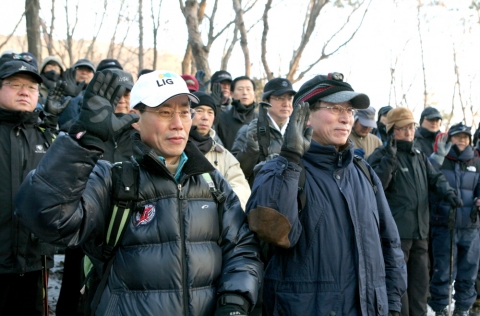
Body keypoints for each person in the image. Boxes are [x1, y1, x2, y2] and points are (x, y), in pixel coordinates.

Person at [15, 70, 263, 315]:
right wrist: (82, 140)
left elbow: (241, 246)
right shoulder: (112, 178)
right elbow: (45, 216)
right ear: (136, 117)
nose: (178, 124)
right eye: (165, 112)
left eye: (185, 112)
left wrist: (234, 301)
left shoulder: (211, 181)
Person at [246, 73, 407, 315]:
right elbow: (272, 232)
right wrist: (290, 159)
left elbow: (390, 244)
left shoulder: (364, 173)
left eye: (350, 110)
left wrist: (392, 306)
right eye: (334, 108)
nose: (346, 118)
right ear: (304, 114)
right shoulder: (279, 170)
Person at [367, 107, 463, 316]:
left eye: (411, 127)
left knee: (420, 286)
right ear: (392, 130)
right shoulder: (382, 155)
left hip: (420, 232)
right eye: (403, 128)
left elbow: (435, 177)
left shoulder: (418, 155)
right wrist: (389, 160)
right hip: (396, 236)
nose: (409, 132)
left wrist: (450, 194)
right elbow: (374, 188)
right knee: (397, 289)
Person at [0, 52, 58, 316]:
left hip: (35, 261)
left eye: (32, 87)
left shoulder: (48, 136)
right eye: (15, 84)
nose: (25, 92)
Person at [427, 123, 480, 316]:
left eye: (465, 137)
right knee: (443, 270)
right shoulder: (441, 159)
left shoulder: (476, 160)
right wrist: (438, 156)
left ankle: (463, 307)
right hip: (444, 224)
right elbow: (427, 175)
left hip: (470, 226)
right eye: (458, 137)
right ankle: (440, 306)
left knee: (469, 270)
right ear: (450, 139)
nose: (462, 140)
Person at [189, 91, 251, 210]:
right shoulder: (175, 149)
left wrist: (222, 208)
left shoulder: (223, 154)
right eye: (199, 111)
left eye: (210, 112)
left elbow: (240, 189)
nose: (205, 117)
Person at [231, 77, 296, 185]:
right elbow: (235, 174)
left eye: (289, 99)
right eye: (280, 98)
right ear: (265, 101)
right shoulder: (249, 130)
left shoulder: (300, 130)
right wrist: (250, 150)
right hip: (261, 197)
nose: (286, 103)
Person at [216, 76, 258, 151]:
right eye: (240, 89)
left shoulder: (261, 119)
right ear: (231, 94)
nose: (245, 92)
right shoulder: (221, 117)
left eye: (248, 89)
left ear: (254, 94)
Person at [58, 58, 96, 130]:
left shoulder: (98, 95)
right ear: (73, 71)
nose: (84, 72)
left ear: (94, 75)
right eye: (80, 69)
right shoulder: (59, 90)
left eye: (89, 70)